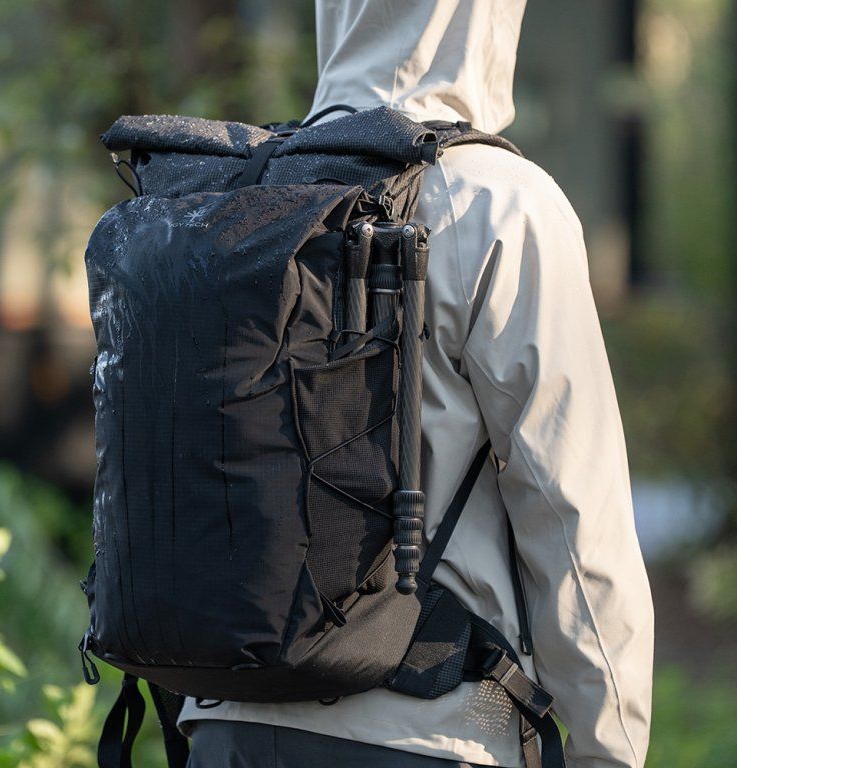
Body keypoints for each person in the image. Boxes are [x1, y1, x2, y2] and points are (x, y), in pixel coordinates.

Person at [180, 1, 654, 766]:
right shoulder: (499, 201)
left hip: (223, 723)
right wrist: (612, 746)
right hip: (426, 731)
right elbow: (571, 514)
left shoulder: (242, 193)